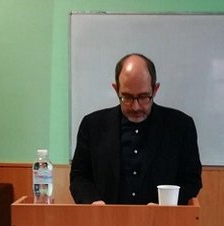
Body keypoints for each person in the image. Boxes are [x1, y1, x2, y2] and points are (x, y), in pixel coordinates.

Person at [69, 53, 202, 205]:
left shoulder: (180, 126)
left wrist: (166, 204)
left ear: (155, 89)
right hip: (104, 222)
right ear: (116, 89)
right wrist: (93, 202)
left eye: (144, 97)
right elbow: (79, 177)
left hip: (163, 222)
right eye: (127, 97)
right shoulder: (92, 125)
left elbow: (191, 179)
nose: (136, 106)